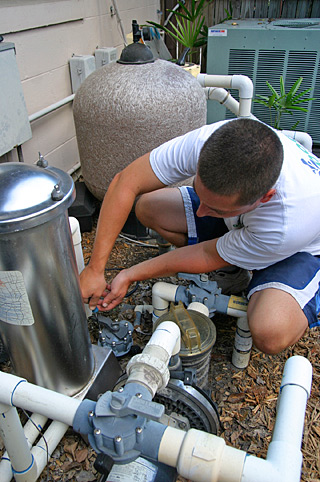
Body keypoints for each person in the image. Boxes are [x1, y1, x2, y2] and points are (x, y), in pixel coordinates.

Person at [80, 118, 320, 355]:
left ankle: (294, 287)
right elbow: (126, 181)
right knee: (149, 207)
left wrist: (131, 274)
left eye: (216, 209)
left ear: (264, 197)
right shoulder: (215, 141)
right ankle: (234, 270)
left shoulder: (286, 222)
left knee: (270, 332)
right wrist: (95, 269)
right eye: (199, 192)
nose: (201, 211)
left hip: (301, 250)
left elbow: (206, 254)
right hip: (248, 225)